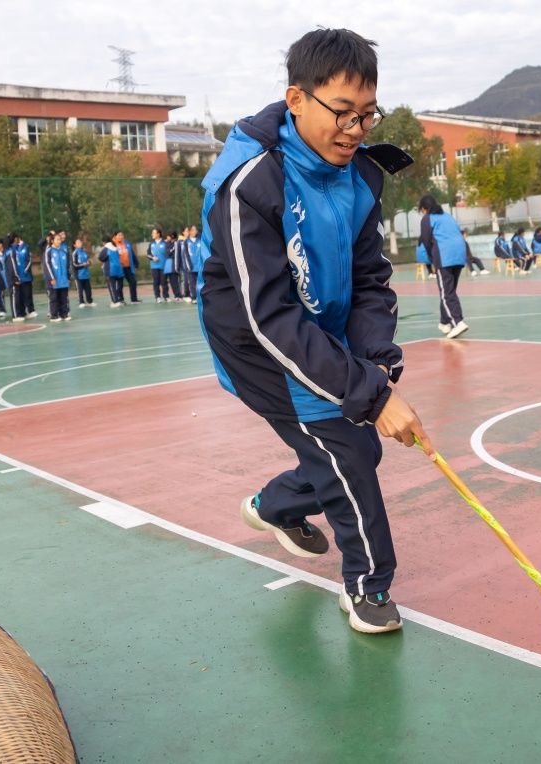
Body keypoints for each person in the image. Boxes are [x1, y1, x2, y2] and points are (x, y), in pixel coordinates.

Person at [197, 28, 434, 634]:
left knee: (360, 443)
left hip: (319, 325)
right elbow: (268, 314)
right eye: (342, 113)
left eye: (366, 114)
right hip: (257, 343)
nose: (356, 130)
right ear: (296, 99)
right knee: (350, 449)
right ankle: (369, 585)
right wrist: (372, 396)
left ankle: (274, 505)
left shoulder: (360, 177)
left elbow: (370, 279)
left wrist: (376, 361)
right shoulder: (250, 183)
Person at [418, 194, 469, 337]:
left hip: (444, 256)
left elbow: (426, 241)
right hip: (459, 254)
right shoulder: (448, 216)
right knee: (449, 291)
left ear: (424, 208)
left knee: (447, 293)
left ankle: (458, 322)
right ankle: (445, 322)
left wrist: (432, 260)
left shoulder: (427, 218)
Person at [44, 235, 72, 321]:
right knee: (54, 298)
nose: (59, 241)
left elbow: (68, 265)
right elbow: (47, 265)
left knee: (64, 297)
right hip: (54, 280)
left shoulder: (64, 250)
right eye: (57, 239)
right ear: (52, 241)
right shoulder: (49, 251)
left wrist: (68, 276)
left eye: (60, 239)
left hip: (63, 279)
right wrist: (52, 277)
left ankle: (64, 314)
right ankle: (54, 315)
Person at [99, 231, 129, 307]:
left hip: (111, 270)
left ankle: (115, 301)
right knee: (118, 286)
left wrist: (105, 260)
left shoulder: (106, 248)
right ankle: (120, 299)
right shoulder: (115, 247)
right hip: (119, 269)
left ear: (104, 242)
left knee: (112, 286)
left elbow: (101, 257)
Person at [12, 234, 37, 318]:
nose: (14, 241)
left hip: (26, 276)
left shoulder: (26, 247)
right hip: (17, 277)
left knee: (28, 294)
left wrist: (25, 271)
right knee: (19, 296)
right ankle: (23, 312)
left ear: (19, 238)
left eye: (15, 239)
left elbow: (29, 260)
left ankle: (31, 310)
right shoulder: (12, 248)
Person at [186, 225, 208, 302]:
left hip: (199, 266)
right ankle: (194, 297)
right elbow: (185, 255)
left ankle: (202, 297)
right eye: (193, 230)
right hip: (191, 267)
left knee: (202, 282)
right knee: (192, 283)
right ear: (190, 231)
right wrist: (189, 265)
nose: (195, 231)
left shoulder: (200, 241)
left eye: (195, 230)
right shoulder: (186, 242)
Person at [148, 226, 168, 302]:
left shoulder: (165, 243)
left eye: (154, 233)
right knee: (156, 282)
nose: (152, 234)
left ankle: (166, 296)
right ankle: (157, 297)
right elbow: (148, 253)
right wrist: (152, 258)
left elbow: (167, 254)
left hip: (163, 266)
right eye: (152, 233)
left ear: (158, 234)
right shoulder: (151, 243)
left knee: (164, 282)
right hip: (154, 266)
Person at [72, 238, 94, 308]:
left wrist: (89, 262)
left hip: (86, 274)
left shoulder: (84, 251)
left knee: (88, 289)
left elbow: (88, 260)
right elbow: (74, 264)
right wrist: (83, 264)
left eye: (80, 242)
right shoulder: (75, 253)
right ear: (75, 245)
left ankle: (90, 301)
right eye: (78, 242)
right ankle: (81, 302)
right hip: (79, 274)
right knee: (80, 289)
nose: (80, 243)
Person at [175, 227, 192, 301]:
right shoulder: (179, 242)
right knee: (185, 280)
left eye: (189, 231)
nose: (188, 232)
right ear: (183, 232)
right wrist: (177, 266)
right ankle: (186, 294)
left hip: (193, 265)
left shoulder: (192, 241)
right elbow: (177, 255)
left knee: (192, 281)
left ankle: (193, 294)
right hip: (184, 266)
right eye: (187, 231)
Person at [164, 230, 183, 297]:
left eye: (168, 236)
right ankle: (177, 295)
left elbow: (178, 254)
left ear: (172, 236)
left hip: (177, 264)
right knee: (173, 281)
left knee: (177, 281)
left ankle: (179, 294)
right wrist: (173, 249)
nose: (167, 237)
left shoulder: (178, 243)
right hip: (171, 266)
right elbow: (167, 253)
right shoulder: (167, 244)